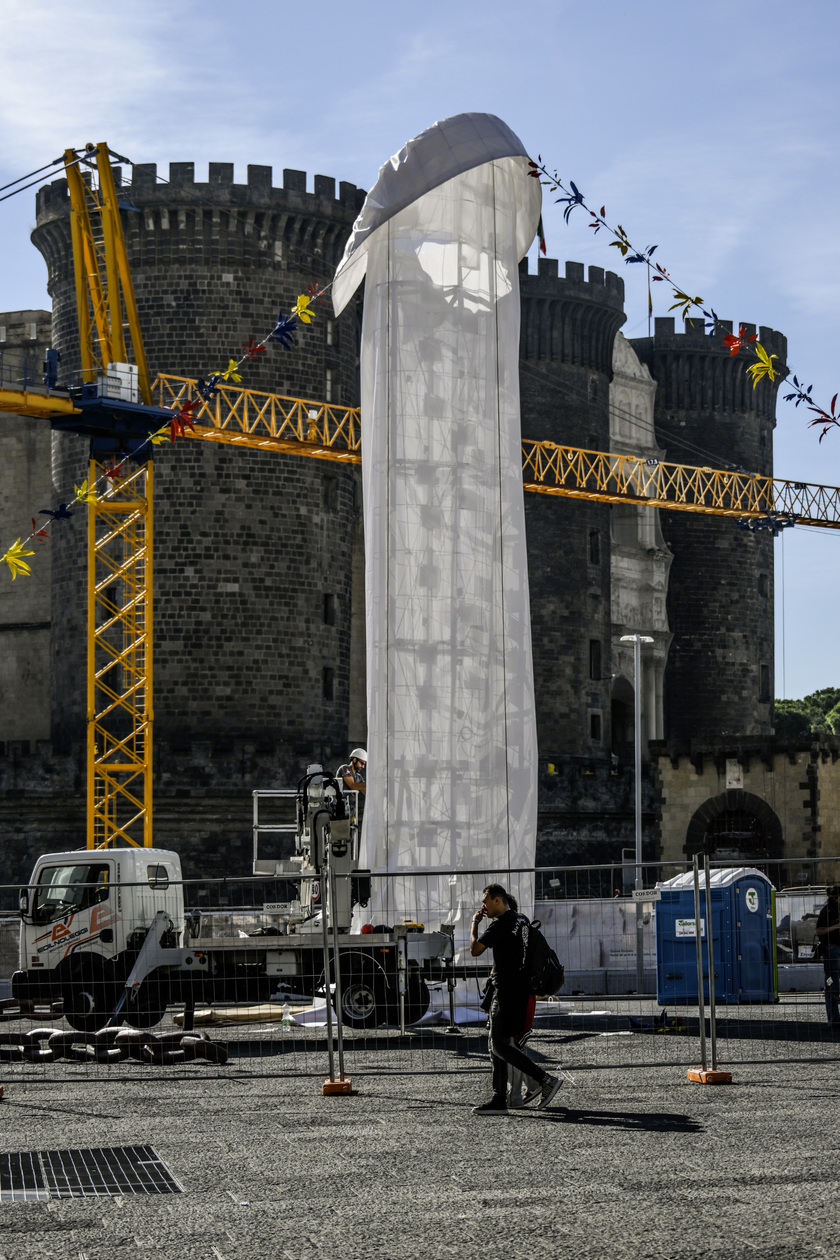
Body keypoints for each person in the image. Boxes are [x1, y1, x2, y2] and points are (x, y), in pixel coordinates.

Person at [470, 883, 562, 1115]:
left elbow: (475, 949)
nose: (483, 906)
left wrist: (474, 923)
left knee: (500, 1045)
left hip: (506, 991)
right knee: (496, 1045)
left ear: (497, 900)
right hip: (519, 990)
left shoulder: (502, 924)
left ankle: (544, 1079)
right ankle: (500, 1098)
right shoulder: (521, 919)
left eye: (486, 901)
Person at [814, 885, 840, 1027]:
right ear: (836, 899)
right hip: (831, 951)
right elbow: (818, 931)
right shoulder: (827, 911)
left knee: (834, 982)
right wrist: (835, 927)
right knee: (831, 981)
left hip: (836, 950)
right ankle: (834, 1019)